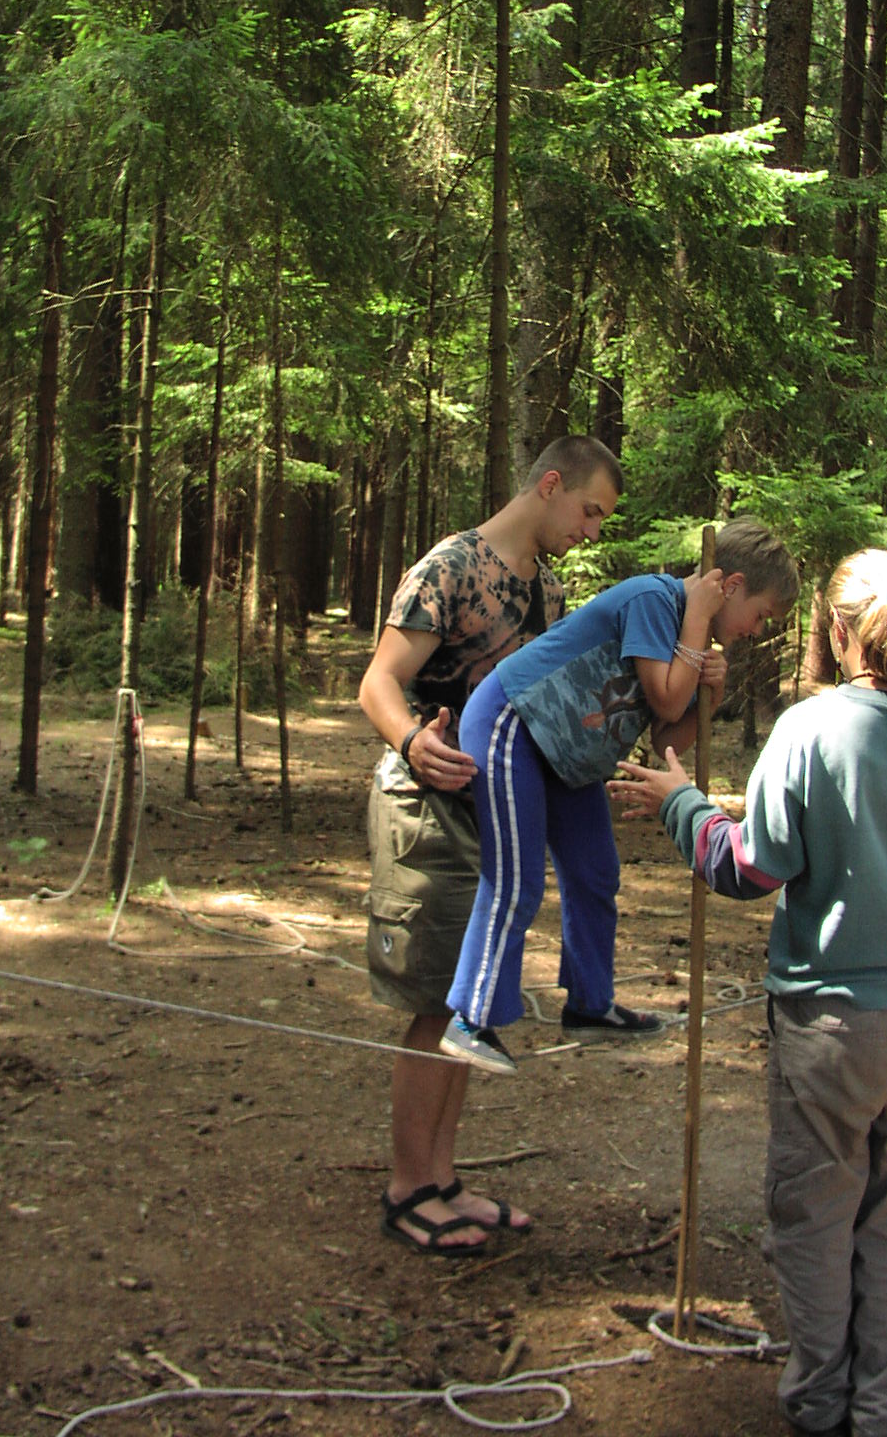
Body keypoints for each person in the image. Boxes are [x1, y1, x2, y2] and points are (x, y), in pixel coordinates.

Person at [611, 549, 887, 1437]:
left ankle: (817, 1401)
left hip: (833, 1026)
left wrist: (682, 802)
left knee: (815, 1216)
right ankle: (882, 1406)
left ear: (839, 631)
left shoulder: (809, 730)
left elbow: (750, 869)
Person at [359, 435, 646, 1257]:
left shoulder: (548, 590)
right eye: (589, 510)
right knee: (435, 1004)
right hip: (427, 809)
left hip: (496, 815)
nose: (592, 531)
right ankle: (409, 1189)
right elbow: (378, 680)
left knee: (466, 1004)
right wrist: (413, 740)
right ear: (550, 485)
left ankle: (442, 1178)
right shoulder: (450, 568)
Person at [441, 518, 800, 1074]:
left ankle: (590, 1004)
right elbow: (665, 696)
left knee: (595, 871)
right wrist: (696, 626)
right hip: (516, 723)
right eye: (760, 615)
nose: (756, 631)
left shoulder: (692, 638)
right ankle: (470, 1016)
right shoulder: (653, 600)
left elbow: (668, 738)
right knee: (516, 878)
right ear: (729, 586)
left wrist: (713, 690)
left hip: (570, 756)